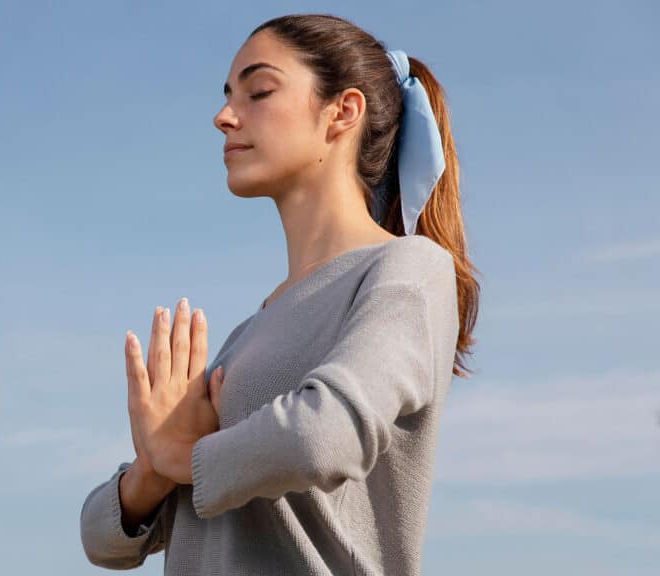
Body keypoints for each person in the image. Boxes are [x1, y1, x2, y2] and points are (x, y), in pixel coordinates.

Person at [80, 13, 480, 576]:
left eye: (259, 91)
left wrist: (186, 459)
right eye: (227, 96)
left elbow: (324, 435)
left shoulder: (408, 270)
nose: (224, 117)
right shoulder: (249, 335)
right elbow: (102, 539)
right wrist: (152, 469)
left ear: (342, 112)